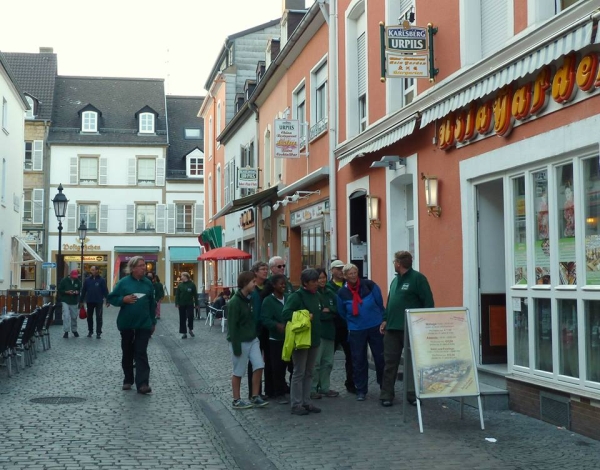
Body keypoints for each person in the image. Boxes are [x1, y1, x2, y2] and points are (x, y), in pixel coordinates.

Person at [379, 251, 434, 407]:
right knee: (390, 362)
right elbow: (390, 303)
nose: (393, 264)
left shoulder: (418, 279)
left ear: (398, 263)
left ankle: (412, 394)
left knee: (411, 363)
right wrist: (385, 319)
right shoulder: (395, 281)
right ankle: (386, 394)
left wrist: (424, 324)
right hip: (392, 328)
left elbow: (428, 303)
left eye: (394, 262)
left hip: (411, 328)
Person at [107, 256, 156, 394]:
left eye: (144, 265)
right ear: (133, 268)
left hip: (143, 324)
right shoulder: (123, 283)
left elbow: (152, 304)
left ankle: (143, 384)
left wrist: (153, 322)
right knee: (127, 352)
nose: (144, 267)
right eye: (141, 265)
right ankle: (128, 379)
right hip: (127, 324)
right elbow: (112, 298)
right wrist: (124, 299)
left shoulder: (148, 283)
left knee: (141, 353)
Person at [336, 263, 385, 402]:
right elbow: (342, 312)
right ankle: (361, 390)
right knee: (358, 360)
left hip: (375, 326)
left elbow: (380, 303)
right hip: (356, 329)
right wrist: (353, 322)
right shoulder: (342, 293)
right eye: (349, 274)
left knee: (380, 358)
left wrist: (382, 320)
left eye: (354, 273)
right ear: (345, 276)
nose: (352, 276)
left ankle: (384, 387)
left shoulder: (369, 285)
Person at [282, 268, 322, 416]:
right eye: (313, 282)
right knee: (299, 372)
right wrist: (304, 316)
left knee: (309, 372)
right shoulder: (296, 296)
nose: (316, 284)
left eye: (317, 281)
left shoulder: (316, 295)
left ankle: (307, 401)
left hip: (314, 338)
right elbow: (286, 313)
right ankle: (296, 404)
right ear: (305, 283)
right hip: (300, 340)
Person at [227, 270, 269, 410]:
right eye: (253, 282)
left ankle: (255, 396)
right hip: (240, 340)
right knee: (238, 370)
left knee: (259, 365)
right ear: (245, 283)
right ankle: (236, 399)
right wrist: (236, 346)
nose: (255, 284)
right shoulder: (235, 302)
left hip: (252, 339)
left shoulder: (250, 298)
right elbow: (232, 326)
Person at [261, 274, 291, 404]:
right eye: (281, 284)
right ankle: (278, 392)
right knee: (277, 367)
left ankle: (288, 388)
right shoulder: (268, 301)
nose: (283, 285)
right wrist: (276, 325)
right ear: (274, 285)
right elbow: (264, 319)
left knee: (292, 365)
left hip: (289, 338)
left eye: (284, 283)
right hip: (275, 339)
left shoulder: (288, 298)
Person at [311, 268, 339, 399]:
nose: (322, 280)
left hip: (330, 332)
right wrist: (327, 313)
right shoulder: (313, 294)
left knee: (327, 362)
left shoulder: (330, 292)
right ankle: (312, 388)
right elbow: (317, 314)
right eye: (319, 278)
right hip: (318, 332)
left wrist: (330, 311)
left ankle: (325, 387)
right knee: (315, 363)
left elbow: (337, 310)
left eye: (323, 277)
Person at [328, 259, 355, 393]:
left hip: (347, 326)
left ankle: (351, 383)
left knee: (351, 356)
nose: (340, 271)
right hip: (333, 326)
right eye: (337, 269)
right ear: (332, 270)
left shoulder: (349, 285)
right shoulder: (327, 287)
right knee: (327, 358)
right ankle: (323, 385)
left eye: (342, 269)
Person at [249, 261, 273, 399]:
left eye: (266, 269)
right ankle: (254, 392)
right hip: (256, 329)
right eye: (262, 269)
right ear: (256, 272)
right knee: (254, 362)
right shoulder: (252, 287)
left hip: (267, 328)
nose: (265, 271)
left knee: (269, 360)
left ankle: (269, 390)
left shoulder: (269, 285)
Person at [79, 265, 109, 339]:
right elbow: (83, 290)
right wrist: (81, 300)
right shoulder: (87, 280)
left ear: (97, 270)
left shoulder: (102, 280)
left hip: (99, 301)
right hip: (89, 301)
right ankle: (90, 331)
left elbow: (105, 291)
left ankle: (98, 332)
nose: (91, 271)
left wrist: (108, 300)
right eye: (91, 270)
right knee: (89, 317)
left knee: (99, 317)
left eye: (93, 270)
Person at [58, 269, 82, 338]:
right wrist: (66, 292)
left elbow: (79, 289)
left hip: (74, 301)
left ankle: (74, 330)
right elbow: (60, 290)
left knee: (74, 316)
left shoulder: (78, 281)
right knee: (66, 315)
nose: (74, 277)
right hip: (65, 300)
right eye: (73, 276)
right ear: (70, 275)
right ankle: (66, 331)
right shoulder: (64, 281)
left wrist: (77, 292)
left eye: (75, 276)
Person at [175, 272, 197, 339]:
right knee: (182, 318)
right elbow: (177, 295)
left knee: (190, 316)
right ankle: (184, 333)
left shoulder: (192, 285)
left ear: (186, 276)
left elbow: (195, 295)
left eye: (182, 276)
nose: (181, 277)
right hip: (181, 304)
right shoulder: (180, 285)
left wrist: (196, 304)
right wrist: (177, 303)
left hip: (189, 303)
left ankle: (190, 329)